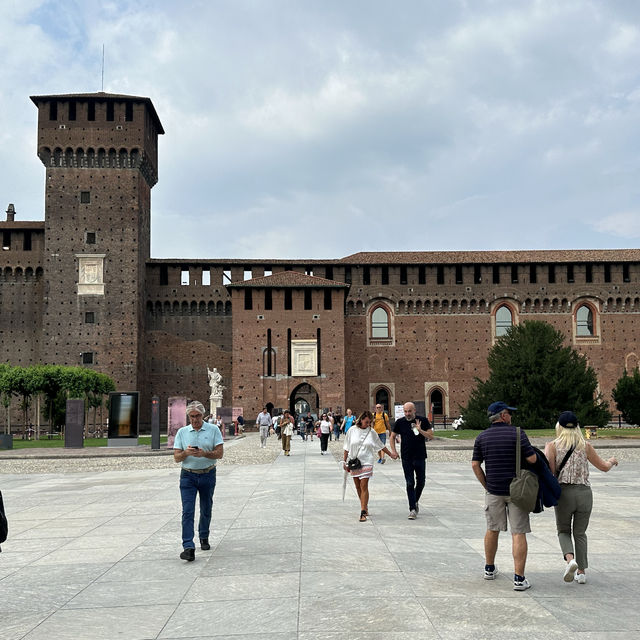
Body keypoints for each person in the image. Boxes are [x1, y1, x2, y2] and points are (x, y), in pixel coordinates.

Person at [544, 410, 619, 584]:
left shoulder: (552, 446)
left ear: (559, 427)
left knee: (563, 530)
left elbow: (550, 472)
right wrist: (612, 460)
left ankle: (570, 560)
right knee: (580, 533)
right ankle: (582, 572)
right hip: (585, 493)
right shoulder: (585, 446)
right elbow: (604, 467)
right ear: (577, 427)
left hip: (564, 494)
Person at [471, 401, 537, 591]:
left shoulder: (482, 437)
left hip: (494, 490)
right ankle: (519, 578)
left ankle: (489, 568)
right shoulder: (517, 433)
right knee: (519, 532)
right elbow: (532, 459)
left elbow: (475, 464)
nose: (511, 416)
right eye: (509, 413)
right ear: (503, 416)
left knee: (492, 529)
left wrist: (486, 484)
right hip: (517, 491)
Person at [173, 400, 224, 561]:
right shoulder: (182, 432)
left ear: (203, 415)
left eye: (198, 416)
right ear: (188, 416)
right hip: (188, 475)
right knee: (187, 511)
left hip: (208, 473)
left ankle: (204, 535)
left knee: (206, 507)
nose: (195, 419)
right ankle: (188, 546)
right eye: (192, 416)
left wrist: (204, 454)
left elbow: (219, 453)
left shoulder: (213, 429)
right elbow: (176, 457)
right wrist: (186, 453)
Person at [343, 410, 398, 521]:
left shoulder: (371, 432)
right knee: (358, 486)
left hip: (367, 461)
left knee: (364, 485)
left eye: (370, 422)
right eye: (366, 422)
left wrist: (391, 454)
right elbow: (346, 447)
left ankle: (363, 512)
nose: (368, 424)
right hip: (354, 462)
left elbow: (380, 445)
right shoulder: (351, 430)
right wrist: (344, 462)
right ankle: (364, 505)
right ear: (361, 419)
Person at [389, 402, 433, 519]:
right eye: (405, 411)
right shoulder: (400, 422)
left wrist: (420, 430)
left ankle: (415, 500)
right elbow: (392, 436)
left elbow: (430, 436)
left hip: (420, 456)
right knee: (409, 482)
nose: (407, 414)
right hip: (406, 457)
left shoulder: (422, 420)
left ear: (414, 410)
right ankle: (412, 509)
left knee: (421, 482)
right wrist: (394, 451)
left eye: (409, 411)